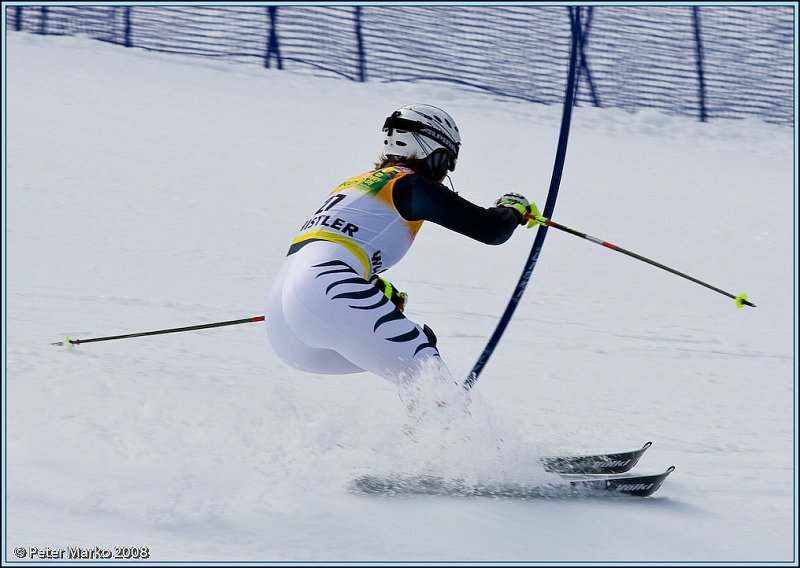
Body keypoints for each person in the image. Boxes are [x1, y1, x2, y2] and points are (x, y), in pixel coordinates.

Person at [265, 103, 541, 412]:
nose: (444, 173)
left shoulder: (356, 183)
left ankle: (428, 447)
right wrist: (512, 208)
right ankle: (455, 452)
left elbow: (337, 243)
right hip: (325, 290)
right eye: (446, 162)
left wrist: (370, 285)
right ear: (433, 149)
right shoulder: (408, 183)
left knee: (418, 362)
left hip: (283, 320)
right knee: (426, 371)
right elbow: (491, 230)